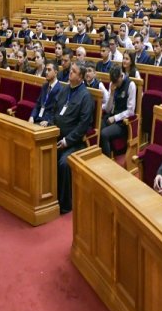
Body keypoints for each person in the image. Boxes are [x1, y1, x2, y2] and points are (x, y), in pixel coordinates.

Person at [52, 65, 96, 214]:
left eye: (74, 71)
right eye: (71, 70)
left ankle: (65, 204)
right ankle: (50, 196)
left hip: (75, 142)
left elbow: (83, 125)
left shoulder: (86, 96)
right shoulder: (65, 90)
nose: (70, 72)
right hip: (56, 136)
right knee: (44, 154)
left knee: (64, 163)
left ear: (81, 77)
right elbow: (55, 111)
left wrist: (67, 141)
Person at [98, 65, 136, 157]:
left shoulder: (131, 85)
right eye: (113, 82)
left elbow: (131, 111)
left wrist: (115, 118)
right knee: (98, 126)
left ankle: (107, 161)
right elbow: (108, 109)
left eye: (117, 82)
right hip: (111, 116)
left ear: (121, 76)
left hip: (122, 122)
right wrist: (111, 94)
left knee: (104, 134)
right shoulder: (113, 84)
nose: (115, 84)